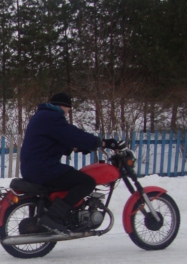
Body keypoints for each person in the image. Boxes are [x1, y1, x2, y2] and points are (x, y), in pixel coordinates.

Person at [20, 92, 119, 234]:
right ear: (62, 106)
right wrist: (101, 142)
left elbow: (55, 140)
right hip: (43, 168)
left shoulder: (42, 116)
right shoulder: (53, 117)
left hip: (35, 166)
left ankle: (61, 215)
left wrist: (78, 147)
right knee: (86, 182)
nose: (67, 113)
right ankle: (54, 217)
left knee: (72, 177)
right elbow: (73, 134)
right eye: (68, 109)